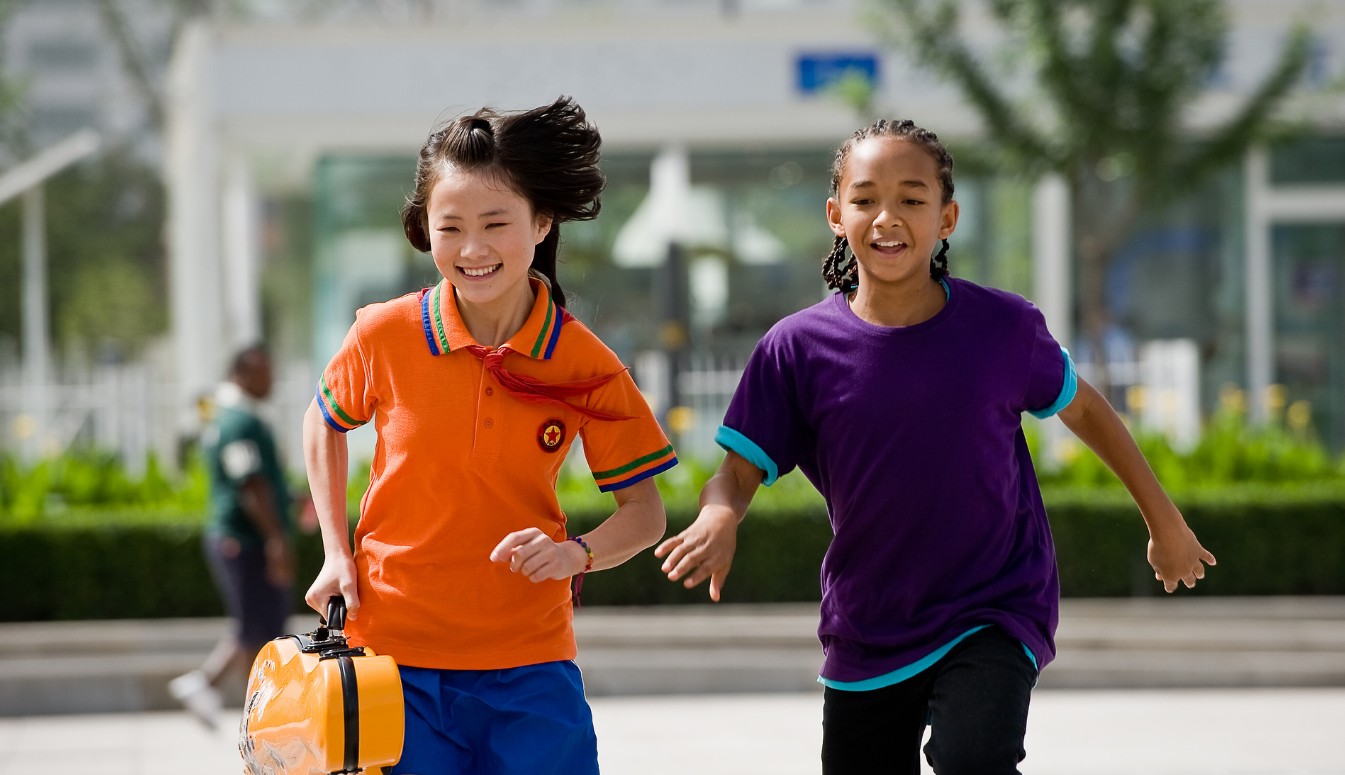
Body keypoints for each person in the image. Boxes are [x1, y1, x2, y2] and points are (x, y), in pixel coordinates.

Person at [654, 119, 1217, 774]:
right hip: (869, 619)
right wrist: (719, 515)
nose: (886, 216)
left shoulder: (1001, 327)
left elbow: (1085, 407)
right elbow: (736, 471)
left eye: (912, 199)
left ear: (947, 217)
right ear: (836, 215)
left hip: (994, 604)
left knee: (974, 757)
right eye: (865, 199)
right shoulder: (795, 349)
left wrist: (1164, 520)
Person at [303, 95, 676, 775]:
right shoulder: (383, 333)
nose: (472, 249)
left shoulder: (586, 363)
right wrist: (335, 552)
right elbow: (322, 421)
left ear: (541, 222)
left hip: (532, 668)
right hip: (393, 660)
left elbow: (644, 511)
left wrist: (575, 554)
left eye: (496, 223)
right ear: (425, 230)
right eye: (450, 227)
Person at [170, 344, 295, 729]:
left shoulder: (229, 418)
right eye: (264, 372)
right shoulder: (240, 421)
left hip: (242, 539)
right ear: (242, 374)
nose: (271, 380)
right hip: (245, 541)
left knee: (255, 624)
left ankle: (213, 689)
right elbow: (250, 488)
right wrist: (276, 539)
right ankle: (254, 711)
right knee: (259, 626)